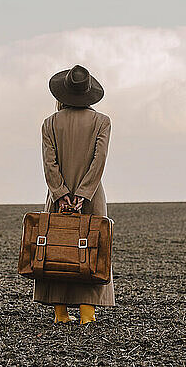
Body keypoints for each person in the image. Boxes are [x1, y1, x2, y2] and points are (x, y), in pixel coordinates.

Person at [33, 64, 115, 324]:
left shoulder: (49, 123)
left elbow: (49, 163)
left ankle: (60, 314)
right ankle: (88, 314)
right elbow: (98, 161)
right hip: (91, 198)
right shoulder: (102, 122)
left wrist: (61, 194)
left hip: (58, 199)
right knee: (91, 249)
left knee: (57, 247)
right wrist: (83, 194)